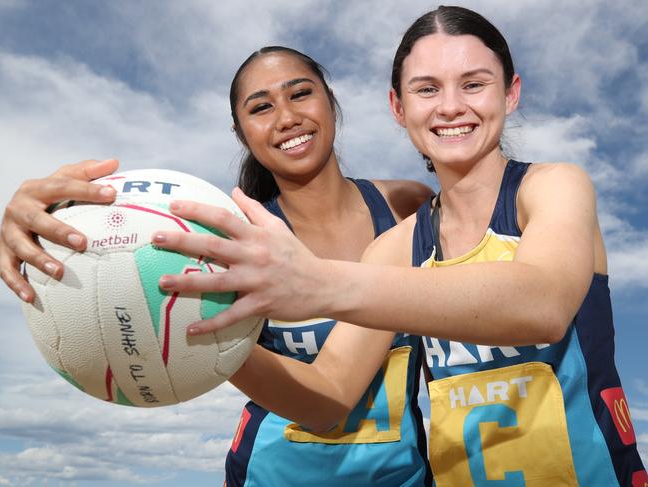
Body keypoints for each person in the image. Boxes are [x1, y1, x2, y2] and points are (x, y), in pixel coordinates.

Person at [148, 6, 647, 486]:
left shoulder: (554, 186)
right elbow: (328, 396)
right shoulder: (397, 246)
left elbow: (543, 302)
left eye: (474, 83)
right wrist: (185, 334)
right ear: (398, 106)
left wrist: (317, 282)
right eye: (427, 89)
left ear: (511, 93)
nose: (451, 105)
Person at [0, 47, 434, 485]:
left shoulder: (406, 207)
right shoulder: (230, 242)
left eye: (300, 94)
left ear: (330, 101)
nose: (286, 118)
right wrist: (36, 218)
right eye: (261, 107)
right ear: (241, 132)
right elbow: (118, 253)